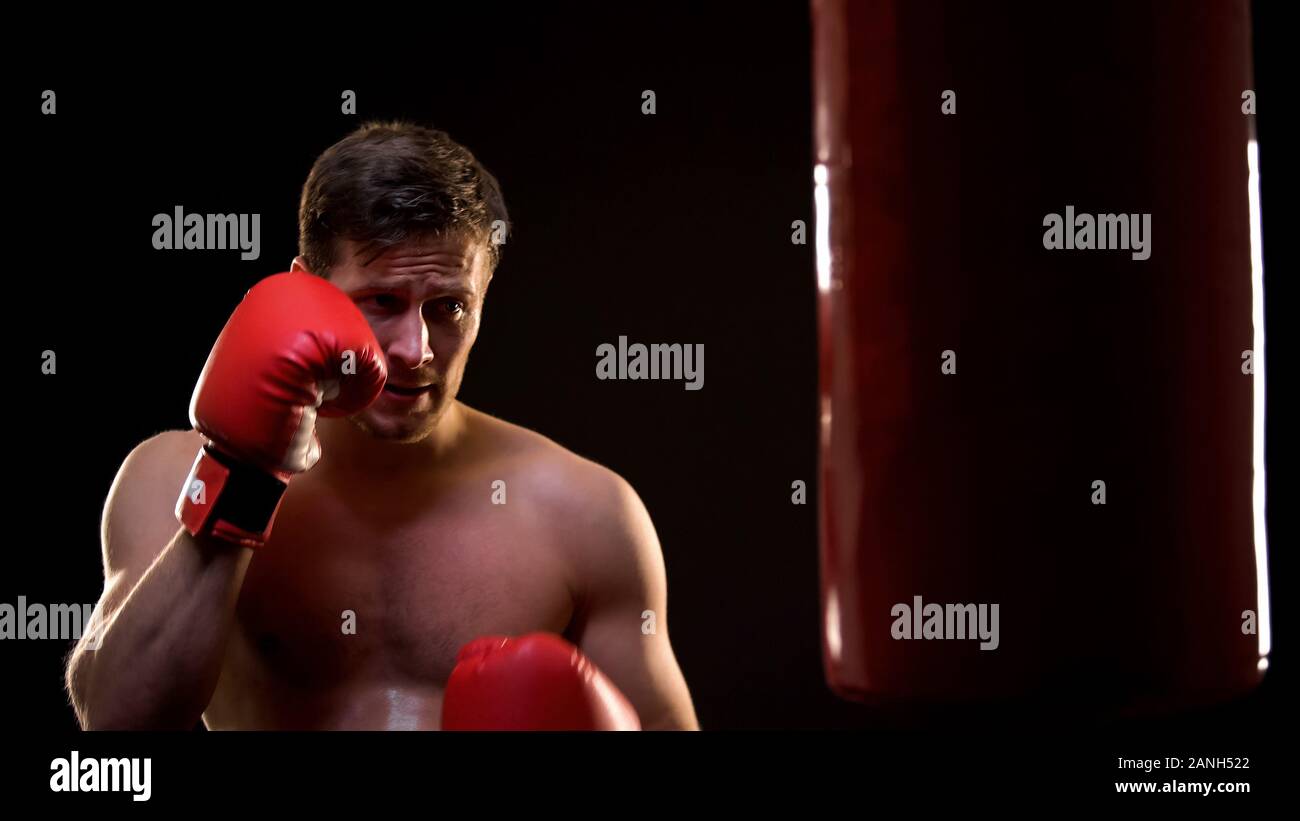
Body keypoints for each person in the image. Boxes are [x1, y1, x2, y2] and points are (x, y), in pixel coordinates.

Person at [64, 121, 699, 731]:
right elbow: (118, 722)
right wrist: (242, 482)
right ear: (306, 290)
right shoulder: (174, 478)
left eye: (449, 307)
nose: (414, 348)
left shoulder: (584, 511)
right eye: (382, 303)